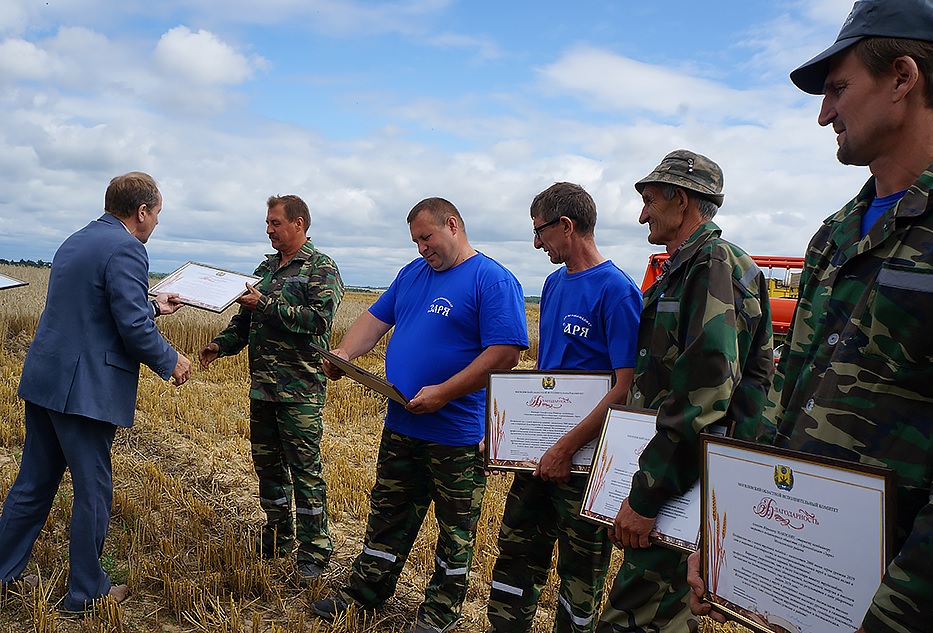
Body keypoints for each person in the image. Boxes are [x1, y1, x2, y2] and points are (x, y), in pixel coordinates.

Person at [686, 2, 933, 632]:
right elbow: (787, 395)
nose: (824, 114)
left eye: (838, 90)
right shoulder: (835, 236)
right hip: (809, 584)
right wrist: (731, 537)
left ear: (903, 78)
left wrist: (893, 613)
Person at [310, 197, 528, 633]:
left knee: (455, 534)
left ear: (452, 225)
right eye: (415, 241)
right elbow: (374, 320)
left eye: (426, 237)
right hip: (403, 425)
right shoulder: (412, 274)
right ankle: (364, 593)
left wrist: (445, 393)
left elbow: (505, 353)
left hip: (457, 435)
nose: (421, 248)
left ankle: (438, 615)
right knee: (387, 516)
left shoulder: (492, 279)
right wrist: (343, 353)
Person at [596, 151, 774, 632]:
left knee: (632, 618)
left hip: (687, 481)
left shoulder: (712, 264)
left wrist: (648, 495)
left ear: (682, 198)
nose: (642, 214)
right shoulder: (685, 266)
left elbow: (704, 396)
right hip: (684, 475)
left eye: (650, 200)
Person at [0, 172, 191, 612]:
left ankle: (5, 571)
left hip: (47, 380)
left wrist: (152, 304)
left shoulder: (77, 239)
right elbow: (132, 329)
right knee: (93, 490)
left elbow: (94, 306)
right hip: (82, 390)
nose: (157, 222)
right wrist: (170, 360)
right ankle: (87, 592)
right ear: (141, 211)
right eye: (157, 213)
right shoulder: (128, 248)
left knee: (33, 483)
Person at [486, 182, 641, 633]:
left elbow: (624, 388)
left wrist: (565, 448)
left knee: (581, 572)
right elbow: (544, 374)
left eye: (540, 232)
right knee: (516, 552)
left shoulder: (617, 291)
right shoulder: (553, 284)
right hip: (538, 455)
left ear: (566, 226)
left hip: (584, 465)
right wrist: (505, 435)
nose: (537, 243)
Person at [199, 195, 344, 583]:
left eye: (275, 223)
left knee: (304, 472)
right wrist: (220, 345)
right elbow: (245, 321)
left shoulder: (321, 268)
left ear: (298, 224)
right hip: (262, 389)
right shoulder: (265, 268)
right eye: (268, 223)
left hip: (300, 392)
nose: (269, 229)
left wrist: (265, 305)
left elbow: (318, 321)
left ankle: (315, 550)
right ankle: (278, 537)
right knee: (268, 469)